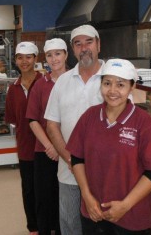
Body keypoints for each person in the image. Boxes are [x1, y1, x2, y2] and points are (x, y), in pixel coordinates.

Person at [66, 58, 151, 235]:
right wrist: (87, 196)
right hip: (93, 212)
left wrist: (125, 205)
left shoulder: (142, 122)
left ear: (132, 87)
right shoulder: (90, 116)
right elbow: (77, 158)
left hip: (131, 216)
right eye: (107, 83)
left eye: (120, 85)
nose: (112, 91)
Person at [44, 25, 104, 235]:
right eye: (78, 43)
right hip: (68, 172)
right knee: (70, 225)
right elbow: (52, 124)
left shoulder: (113, 79)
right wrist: (70, 159)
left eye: (88, 41)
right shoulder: (63, 82)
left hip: (103, 173)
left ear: (98, 44)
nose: (84, 47)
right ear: (72, 49)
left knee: (100, 226)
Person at [26, 38, 68, 235]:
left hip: (70, 151)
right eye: (50, 55)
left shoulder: (75, 82)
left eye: (58, 54)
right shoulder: (40, 85)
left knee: (65, 197)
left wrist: (62, 149)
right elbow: (33, 120)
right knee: (44, 198)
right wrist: (50, 147)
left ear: (66, 55)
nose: (54, 59)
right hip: (45, 151)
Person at [5, 41, 42, 235]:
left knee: (46, 188)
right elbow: (13, 120)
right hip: (26, 148)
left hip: (47, 147)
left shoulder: (45, 83)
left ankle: (49, 225)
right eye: (20, 57)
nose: (24, 61)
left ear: (36, 59)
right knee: (28, 189)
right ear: (16, 60)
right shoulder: (13, 89)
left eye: (29, 57)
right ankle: (33, 227)